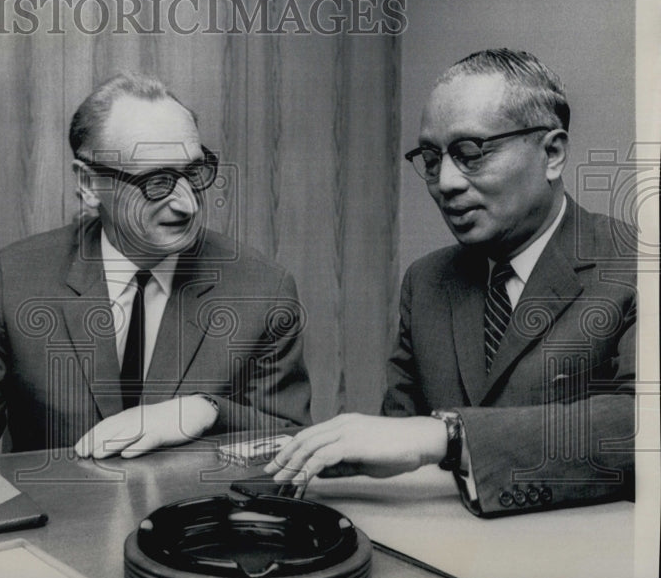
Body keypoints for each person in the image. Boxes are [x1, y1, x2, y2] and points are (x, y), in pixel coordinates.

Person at [266, 49, 636, 516]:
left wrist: (450, 434)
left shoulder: (638, 264)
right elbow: (403, 440)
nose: (445, 182)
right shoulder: (427, 282)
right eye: (430, 157)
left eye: (470, 154)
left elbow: (642, 426)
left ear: (553, 153)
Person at [0, 73, 310, 463]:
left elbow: (291, 441)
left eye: (194, 172)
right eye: (157, 181)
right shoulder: (15, 278)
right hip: (56, 525)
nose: (187, 203)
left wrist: (207, 412)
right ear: (88, 184)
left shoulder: (263, 289)